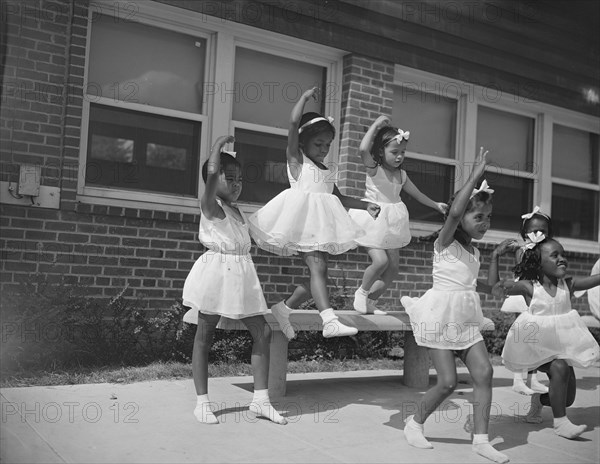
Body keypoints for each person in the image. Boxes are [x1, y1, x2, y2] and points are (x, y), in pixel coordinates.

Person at [400, 148, 509, 463]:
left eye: (488, 218)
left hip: (465, 318)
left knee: (485, 372)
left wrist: (498, 260)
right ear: (461, 216)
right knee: (447, 382)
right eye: (479, 216)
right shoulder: (444, 242)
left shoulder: (473, 253)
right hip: (440, 316)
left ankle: (481, 440)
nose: (485, 223)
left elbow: (479, 285)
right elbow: (453, 214)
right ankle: (414, 423)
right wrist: (474, 175)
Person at [248, 87, 380, 340]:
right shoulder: (297, 161)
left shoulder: (327, 170)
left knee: (320, 275)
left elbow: (338, 198)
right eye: (318, 143)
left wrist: (366, 205)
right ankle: (329, 320)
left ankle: (283, 309)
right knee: (318, 269)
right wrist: (303, 99)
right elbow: (292, 122)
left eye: (328, 145)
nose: (323, 149)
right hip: (301, 223)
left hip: (320, 226)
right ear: (302, 142)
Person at [181, 135, 286, 425]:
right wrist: (216, 146)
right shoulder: (211, 204)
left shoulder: (237, 210)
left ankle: (260, 400)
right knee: (205, 335)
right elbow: (212, 173)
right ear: (214, 181)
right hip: (217, 274)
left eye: (240, 178)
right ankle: (202, 402)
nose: (237, 183)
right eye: (230, 178)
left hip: (241, 275)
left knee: (262, 332)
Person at [493, 235, 600, 439]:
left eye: (563, 254)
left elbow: (597, 279)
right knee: (559, 367)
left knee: (567, 398)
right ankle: (561, 424)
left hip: (560, 346)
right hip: (535, 345)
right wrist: (495, 256)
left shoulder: (568, 284)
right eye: (555, 255)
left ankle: (540, 401)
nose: (562, 259)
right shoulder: (530, 287)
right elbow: (497, 286)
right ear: (539, 263)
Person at [349, 115, 447, 315]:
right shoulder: (374, 169)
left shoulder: (401, 175)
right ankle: (361, 292)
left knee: (393, 270)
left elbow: (418, 195)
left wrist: (436, 205)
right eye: (394, 152)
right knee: (381, 262)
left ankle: (370, 301)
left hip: (392, 224)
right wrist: (376, 125)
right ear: (380, 151)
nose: (399, 156)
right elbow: (362, 149)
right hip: (373, 220)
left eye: (402, 152)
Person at [489, 207, 552, 395]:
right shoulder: (524, 250)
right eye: (534, 231)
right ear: (525, 233)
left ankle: (532, 378)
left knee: (536, 340)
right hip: (525, 296)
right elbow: (527, 273)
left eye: (543, 231)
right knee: (523, 338)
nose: (539, 234)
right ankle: (518, 379)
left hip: (540, 296)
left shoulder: (548, 249)